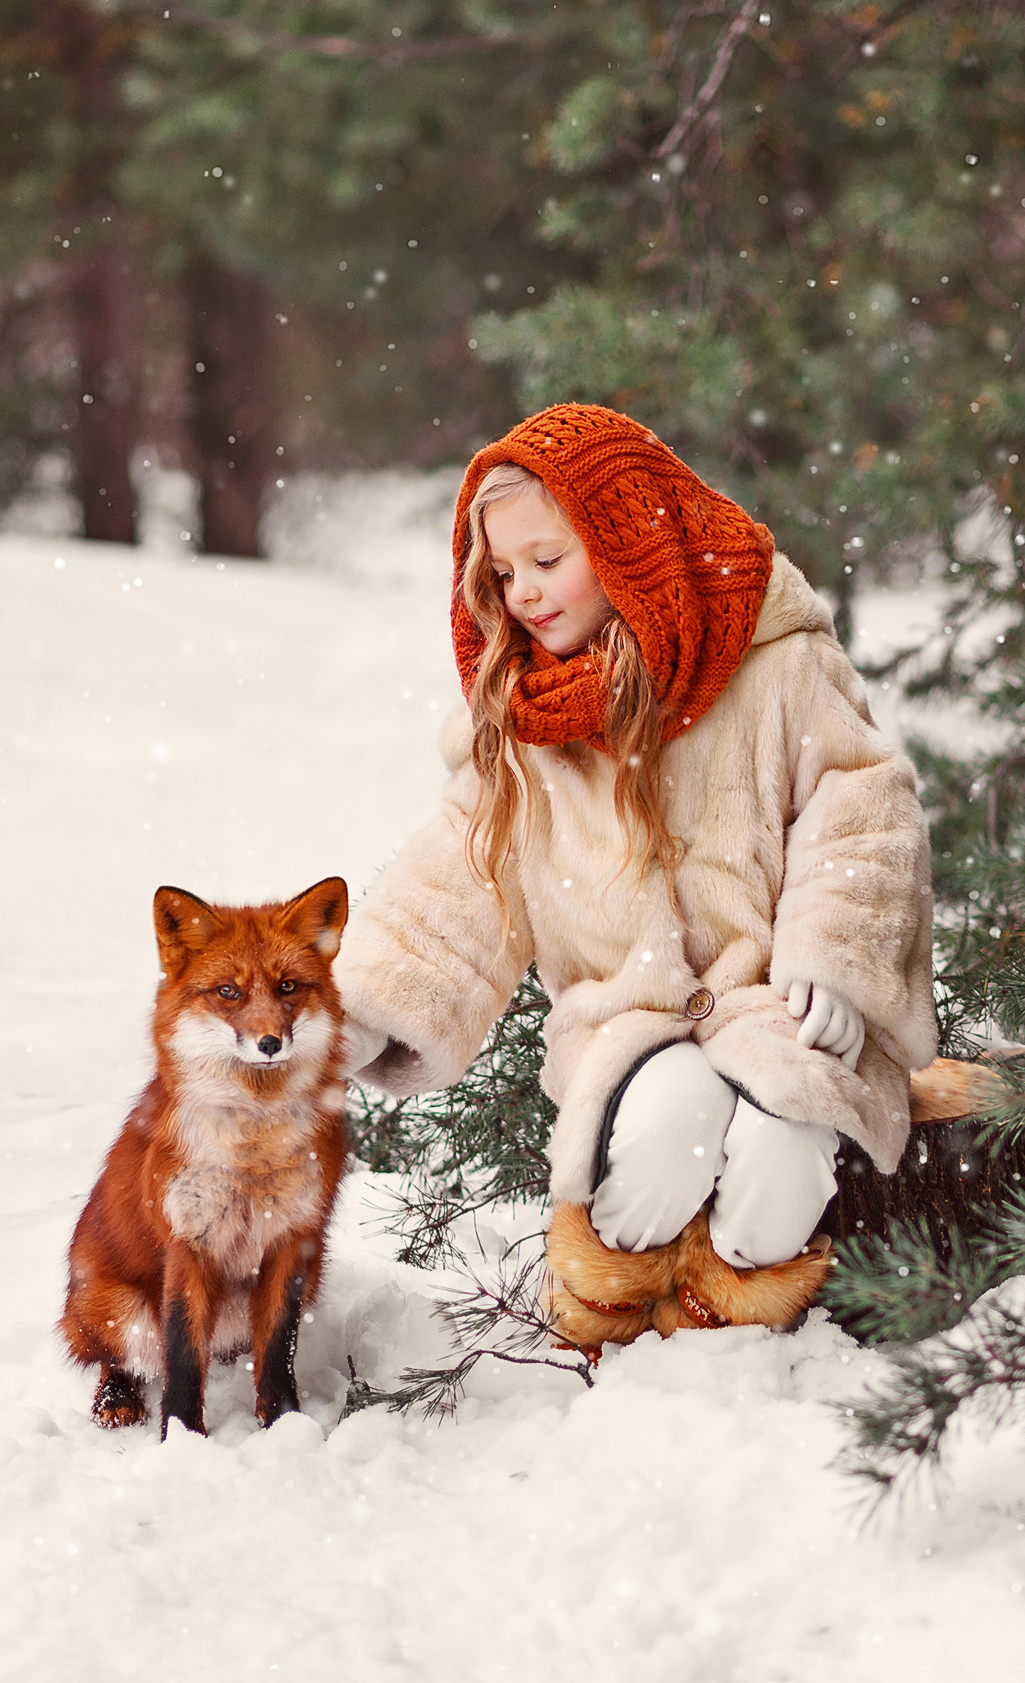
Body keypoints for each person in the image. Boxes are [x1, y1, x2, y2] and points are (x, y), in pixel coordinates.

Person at [333, 403, 937, 1351]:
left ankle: (724, 1337)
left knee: (784, 1157)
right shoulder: (526, 718)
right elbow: (464, 867)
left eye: (547, 558)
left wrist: (837, 956)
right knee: (665, 1130)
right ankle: (624, 1328)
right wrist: (368, 1003)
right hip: (624, 1019)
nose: (524, 593)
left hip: (772, 1004)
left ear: (628, 539)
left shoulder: (774, 662)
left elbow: (859, 802)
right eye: (501, 572)